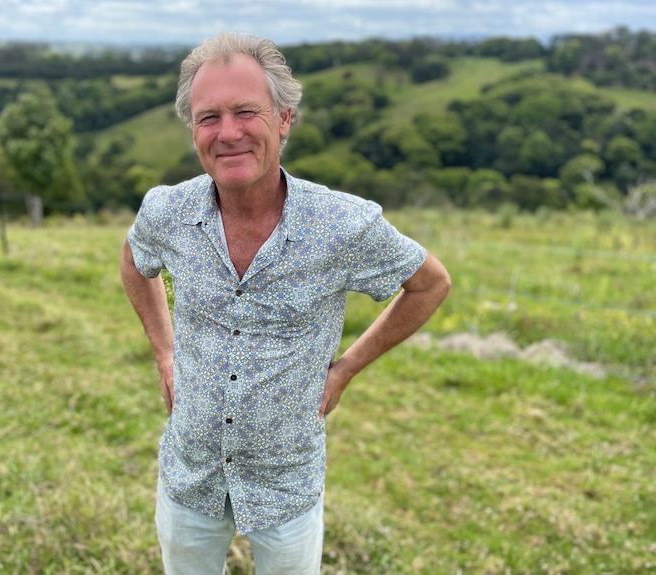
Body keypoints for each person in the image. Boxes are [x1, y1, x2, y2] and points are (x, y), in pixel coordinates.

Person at [120, 32, 451, 575]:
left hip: (286, 476)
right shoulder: (167, 209)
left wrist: (345, 369)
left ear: (284, 119)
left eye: (246, 111)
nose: (228, 133)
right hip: (190, 467)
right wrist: (164, 350)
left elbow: (430, 283)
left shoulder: (343, 224)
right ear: (192, 130)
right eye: (208, 118)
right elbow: (135, 260)